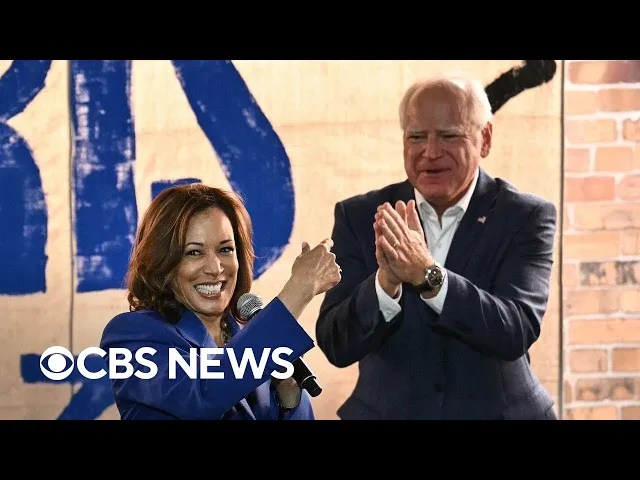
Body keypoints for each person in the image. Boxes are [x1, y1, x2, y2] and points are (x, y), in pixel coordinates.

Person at [315, 73, 558, 420]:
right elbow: (335, 344)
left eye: (449, 135)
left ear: (485, 139)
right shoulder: (360, 216)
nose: (430, 152)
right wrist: (385, 285)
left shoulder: (525, 216)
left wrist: (429, 276)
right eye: (416, 136)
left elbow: (515, 330)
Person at [100, 183, 341, 420]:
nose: (215, 268)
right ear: (163, 265)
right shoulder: (130, 335)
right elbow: (202, 396)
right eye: (194, 252)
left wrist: (288, 400)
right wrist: (298, 291)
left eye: (225, 249)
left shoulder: (254, 338)